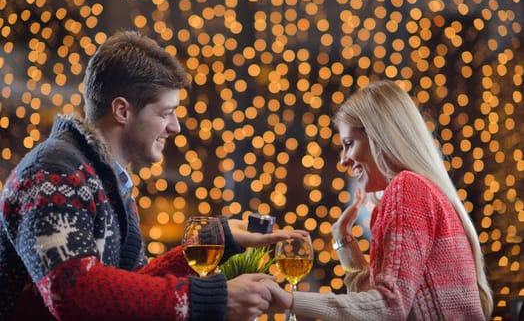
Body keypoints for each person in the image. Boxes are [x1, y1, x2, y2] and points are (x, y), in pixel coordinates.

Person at [0, 30, 304, 321]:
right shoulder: (52, 173)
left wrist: (215, 239)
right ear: (122, 111)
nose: (175, 127)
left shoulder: (107, 179)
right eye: (165, 113)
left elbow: (128, 291)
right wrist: (211, 299)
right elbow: (75, 294)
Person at [264, 80, 493, 320]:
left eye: (349, 144)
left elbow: (389, 307)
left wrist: (291, 301)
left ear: (379, 135)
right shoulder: (415, 191)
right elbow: (375, 304)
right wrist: (343, 239)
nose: (343, 160)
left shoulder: (408, 188)